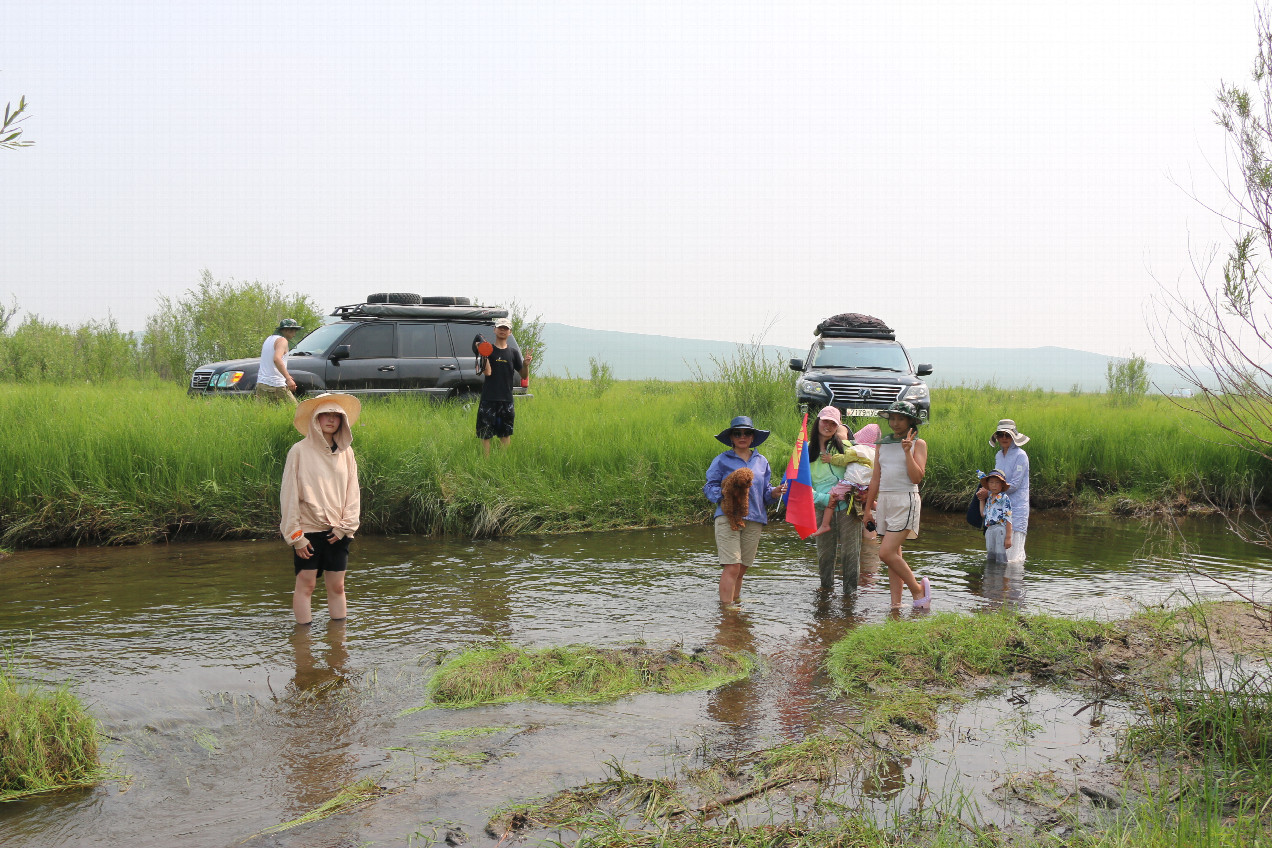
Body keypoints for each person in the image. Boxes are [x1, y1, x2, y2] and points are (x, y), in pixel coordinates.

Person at [281, 392, 362, 625]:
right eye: (324, 414)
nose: (330, 419)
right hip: (307, 530)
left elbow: (353, 493)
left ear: (342, 421)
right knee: (306, 584)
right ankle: (303, 643)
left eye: (336, 415)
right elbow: (289, 495)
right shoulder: (299, 451)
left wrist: (344, 528)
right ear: (315, 418)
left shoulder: (347, 453)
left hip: (338, 531)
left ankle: (338, 644)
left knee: (337, 586)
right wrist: (296, 536)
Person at [703, 416, 784, 606]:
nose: (742, 436)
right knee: (732, 566)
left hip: (755, 518)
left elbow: (764, 492)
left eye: (747, 433)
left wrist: (774, 492)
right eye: (737, 433)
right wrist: (725, 496)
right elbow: (709, 487)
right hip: (728, 517)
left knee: (742, 568)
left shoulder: (762, 461)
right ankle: (726, 610)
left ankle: (735, 603)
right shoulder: (722, 460)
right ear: (731, 437)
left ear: (752, 437)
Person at [861, 401, 931, 610]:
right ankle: (896, 605)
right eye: (892, 418)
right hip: (885, 501)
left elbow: (917, 477)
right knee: (894, 556)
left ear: (910, 421)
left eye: (900, 418)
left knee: (885, 553)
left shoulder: (918, 444)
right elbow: (875, 478)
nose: (895, 422)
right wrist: (867, 510)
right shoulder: (882, 444)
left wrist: (907, 452)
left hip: (905, 500)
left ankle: (918, 590)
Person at [807, 406, 871, 593]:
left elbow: (869, 472)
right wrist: (823, 499)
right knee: (825, 554)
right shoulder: (804, 452)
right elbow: (798, 487)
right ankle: (825, 593)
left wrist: (866, 493)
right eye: (825, 421)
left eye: (833, 423)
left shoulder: (849, 449)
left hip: (849, 506)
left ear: (838, 426)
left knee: (851, 554)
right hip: (821, 506)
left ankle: (850, 596)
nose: (828, 426)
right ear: (817, 421)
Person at [977, 418, 1031, 562]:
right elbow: (998, 479)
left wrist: (988, 492)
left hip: (1017, 507)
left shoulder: (1021, 456)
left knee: (1013, 556)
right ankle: (998, 583)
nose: (1004, 438)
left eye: (1008, 435)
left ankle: (1012, 583)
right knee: (998, 554)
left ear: (1014, 436)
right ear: (997, 437)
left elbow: (1014, 485)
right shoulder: (999, 455)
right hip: (998, 507)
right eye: (1001, 435)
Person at [476, 317, 532, 456]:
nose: (503, 330)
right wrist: (484, 354)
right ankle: (485, 462)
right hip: (489, 398)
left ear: (510, 332)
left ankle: (503, 462)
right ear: (494, 330)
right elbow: (487, 372)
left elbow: (524, 375)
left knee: (505, 433)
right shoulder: (488, 350)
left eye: (506, 328)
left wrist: (525, 364)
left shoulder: (513, 353)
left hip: (506, 399)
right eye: (500, 327)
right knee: (485, 434)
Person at [256, 318, 304, 404]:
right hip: (275, 384)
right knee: (295, 411)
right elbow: (277, 359)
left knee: (265, 414)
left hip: (261, 384)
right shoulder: (282, 341)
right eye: (294, 331)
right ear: (287, 330)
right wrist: (288, 378)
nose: (294, 334)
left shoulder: (269, 339)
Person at [978, 469, 1014, 561]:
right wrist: (981, 500)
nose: (994, 485)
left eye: (997, 482)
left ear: (1002, 485)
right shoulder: (990, 498)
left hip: (1000, 530)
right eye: (991, 482)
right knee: (990, 557)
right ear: (988, 485)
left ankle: (1002, 574)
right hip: (989, 530)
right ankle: (990, 574)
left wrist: (1008, 538)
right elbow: (983, 514)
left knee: (1000, 556)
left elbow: (1008, 518)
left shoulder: (1004, 498)